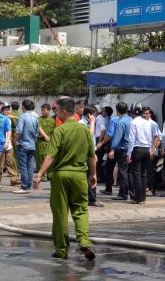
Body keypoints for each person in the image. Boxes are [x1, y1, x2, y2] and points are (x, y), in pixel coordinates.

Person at [32, 97, 97, 261]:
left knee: (61, 213)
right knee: (81, 210)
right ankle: (84, 242)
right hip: (80, 175)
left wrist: (39, 174)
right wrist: (93, 174)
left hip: (61, 176)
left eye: (57, 111)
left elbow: (51, 155)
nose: (56, 114)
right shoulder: (84, 130)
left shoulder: (59, 131)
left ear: (64, 111)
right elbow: (92, 157)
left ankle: (61, 250)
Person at [78, 105, 103, 207]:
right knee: (87, 176)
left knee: (92, 175)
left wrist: (94, 153)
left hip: (90, 153)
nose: (96, 117)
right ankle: (88, 198)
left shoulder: (88, 123)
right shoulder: (82, 123)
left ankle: (91, 198)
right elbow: (90, 135)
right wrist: (92, 122)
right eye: (94, 115)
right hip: (84, 154)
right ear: (89, 115)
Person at [14, 100, 40, 194]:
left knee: (23, 166)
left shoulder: (22, 117)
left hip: (23, 144)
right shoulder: (35, 117)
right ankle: (28, 186)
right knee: (29, 165)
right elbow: (37, 132)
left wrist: (15, 140)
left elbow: (19, 130)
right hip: (32, 144)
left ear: (23, 107)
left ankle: (24, 187)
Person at [127, 102, 151, 204]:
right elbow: (150, 138)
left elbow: (131, 139)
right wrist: (149, 150)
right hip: (146, 149)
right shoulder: (147, 122)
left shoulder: (133, 123)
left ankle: (138, 198)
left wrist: (129, 154)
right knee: (144, 174)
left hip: (137, 149)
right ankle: (143, 197)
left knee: (136, 174)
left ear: (132, 112)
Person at [0, 100, 20, 186]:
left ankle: (14, 179)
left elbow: (10, 129)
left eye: (8, 109)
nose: (8, 111)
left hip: (8, 144)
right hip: (0, 145)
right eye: (6, 110)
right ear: (2, 111)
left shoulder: (7, 119)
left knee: (10, 162)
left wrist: (9, 141)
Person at [109, 102, 132, 201]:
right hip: (131, 149)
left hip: (123, 149)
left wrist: (112, 149)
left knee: (123, 172)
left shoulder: (121, 122)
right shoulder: (131, 120)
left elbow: (117, 137)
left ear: (117, 110)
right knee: (130, 172)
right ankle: (130, 192)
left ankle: (123, 194)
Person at [37, 104, 55, 181]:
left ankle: (50, 175)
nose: (43, 112)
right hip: (41, 141)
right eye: (42, 110)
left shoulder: (52, 120)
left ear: (49, 110)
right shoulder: (39, 119)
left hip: (50, 142)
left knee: (50, 157)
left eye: (44, 110)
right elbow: (39, 128)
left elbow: (55, 130)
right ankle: (42, 175)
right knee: (40, 158)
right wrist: (45, 136)